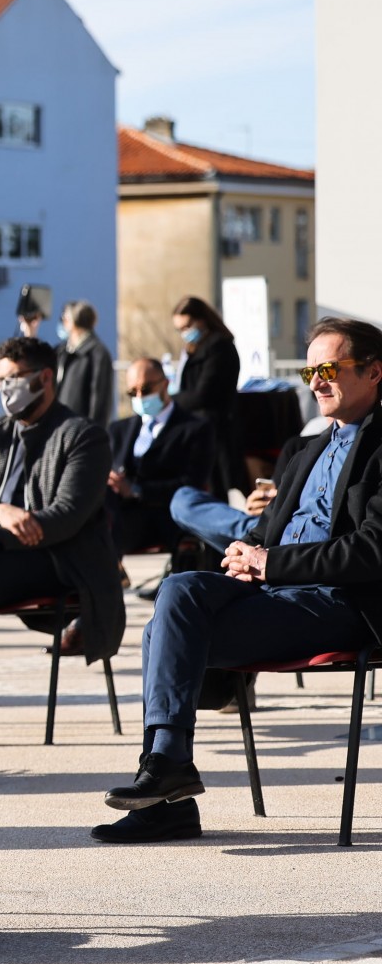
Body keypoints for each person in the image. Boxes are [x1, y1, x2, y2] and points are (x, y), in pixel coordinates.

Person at [90, 317, 382, 843]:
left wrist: (269, 563)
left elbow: (371, 551)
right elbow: (271, 531)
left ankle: (167, 790)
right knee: (179, 592)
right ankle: (167, 770)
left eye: (329, 369)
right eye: (310, 368)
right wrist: (249, 551)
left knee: (163, 633)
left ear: (374, 372)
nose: (315, 381)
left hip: (337, 605)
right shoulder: (305, 448)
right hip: (274, 595)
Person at [0, 336, 123, 664]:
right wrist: (0, 511)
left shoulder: (82, 435)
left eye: (14, 379)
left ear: (44, 377)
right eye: (0, 381)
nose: (5, 388)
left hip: (56, 560)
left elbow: (66, 517)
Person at [107, 359, 216, 557]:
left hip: (161, 516)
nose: (140, 397)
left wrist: (137, 490)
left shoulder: (195, 428)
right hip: (118, 512)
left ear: (165, 384)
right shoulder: (119, 430)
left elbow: (192, 484)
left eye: (146, 389)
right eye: (133, 392)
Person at [172, 295, 248, 496]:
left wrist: (171, 400)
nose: (184, 333)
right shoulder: (196, 349)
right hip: (203, 426)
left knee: (217, 488)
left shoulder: (218, 347)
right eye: (180, 329)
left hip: (216, 429)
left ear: (202, 319)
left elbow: (203, 394)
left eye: (187, 326)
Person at [55, 300, 115, 429]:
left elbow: (99, 399)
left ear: (72, 322)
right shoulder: (63, 351)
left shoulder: (97, 353)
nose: (62, 323)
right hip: (60, 426)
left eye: (64, 318)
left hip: (80, 430)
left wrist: (94, 432)